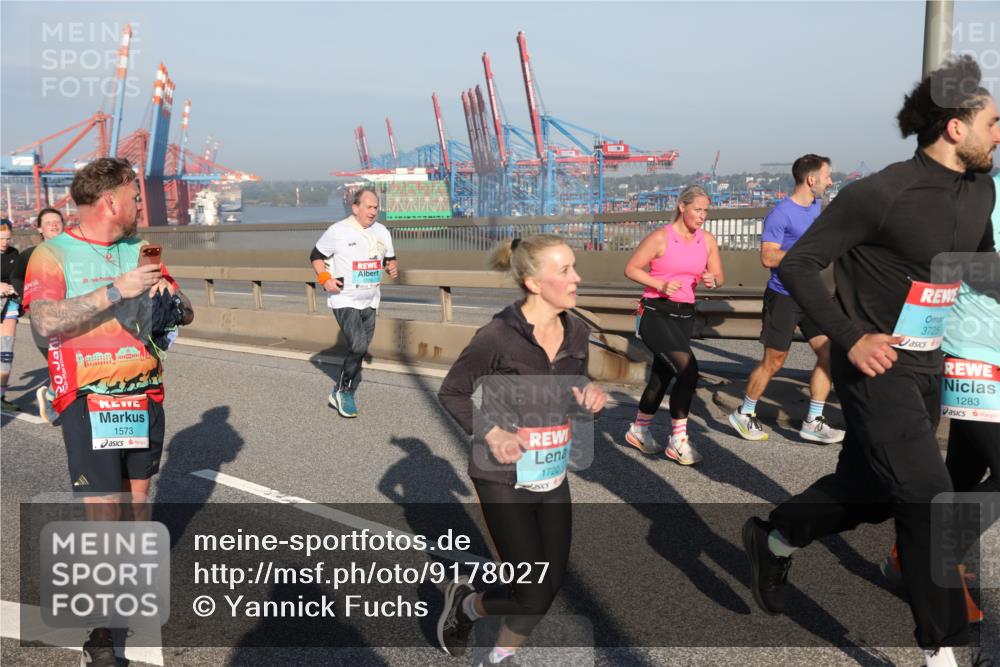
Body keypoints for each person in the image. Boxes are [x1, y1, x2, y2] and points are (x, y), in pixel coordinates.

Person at [742, 56, 999, 667]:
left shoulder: (980, 190)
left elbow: (979, 266)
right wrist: (849, 337)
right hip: (873, 366)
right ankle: (944, 652)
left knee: (871, 491)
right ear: (954, 127)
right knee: (929, 496)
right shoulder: (880, 192)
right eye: (994, 121)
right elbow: (799, 264)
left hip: (928, 363)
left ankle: (775, 537)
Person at [22, 157, 193, 667]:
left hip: (144, 393)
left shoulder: (141, 250)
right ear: (110, 200)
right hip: (89, 397)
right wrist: (117, 290)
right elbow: (46, 320)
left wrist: (171, 299)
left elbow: (184, 311)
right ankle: (99, 632)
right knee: (102, 510)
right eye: (135, 196)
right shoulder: (52, 254)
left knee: (138, 502)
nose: (141, 204)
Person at [436, 234, 607, 665]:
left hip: (551, 473)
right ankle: (478, 624)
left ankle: (485, 631)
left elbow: (570, 393)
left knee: (547, 588)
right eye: (565, 270)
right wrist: (491, 433)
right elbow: (453, 392)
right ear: (534, 282)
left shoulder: (577, 331)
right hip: (501, 477)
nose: (577, 278)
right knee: (531, 593)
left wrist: (589, 397)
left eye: (574, 267)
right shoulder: (496, 336)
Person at [728, 155, 846, 444]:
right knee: (774, 360)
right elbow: (767, 256)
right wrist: (805, 258)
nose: (830, 181)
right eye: (827, 176)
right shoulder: (781, 214)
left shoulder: (817, 206)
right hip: (784, 295)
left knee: (829, 353)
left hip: (812, 294)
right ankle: (744, 412)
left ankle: (813, 421)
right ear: (811, 180)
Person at [621, 185, 724, 464]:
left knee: (663, 375)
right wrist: (661, 284)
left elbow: (718, 276)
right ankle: (678, 441)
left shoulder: (708, 240)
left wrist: (712, 280)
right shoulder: (660, 237)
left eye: (706, 211)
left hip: (685, 314)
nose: (702, 216)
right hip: (655, 312)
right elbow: (631, 268)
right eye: (697, 210)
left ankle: (639, 429)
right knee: (688, 371)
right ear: (682, 207)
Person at [309, 189, 398, 418]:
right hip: (344, 298)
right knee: (358, 345)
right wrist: (325, 279)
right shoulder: (338, 231)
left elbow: (389, 258)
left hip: (371, 298)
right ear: (355, 208)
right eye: (368, 207)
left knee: (360, 349)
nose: (373, 212)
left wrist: (392, 267)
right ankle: (343, 391)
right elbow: (316, 256)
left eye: (376, 207)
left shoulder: (382, 231)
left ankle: (340, 389)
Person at [11, 207, 66, 422]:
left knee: (71, 362)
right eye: (48, 221)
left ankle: (55, 398)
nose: (54, 224)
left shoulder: (75, 252)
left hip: (73, 314)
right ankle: (53, 397)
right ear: (40, 229)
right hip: (43, 318)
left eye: (57, 220)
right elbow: (16, 278)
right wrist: (28, 300)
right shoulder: (30, 254)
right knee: (59, 363)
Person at [1, 219, 20, 412]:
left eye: (7, 238)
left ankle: (1, 395)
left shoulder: (14, 254)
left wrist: (15, 287)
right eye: (1, 239)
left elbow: (18, 277)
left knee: (6, 351)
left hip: (9, 304)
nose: (5, 242)